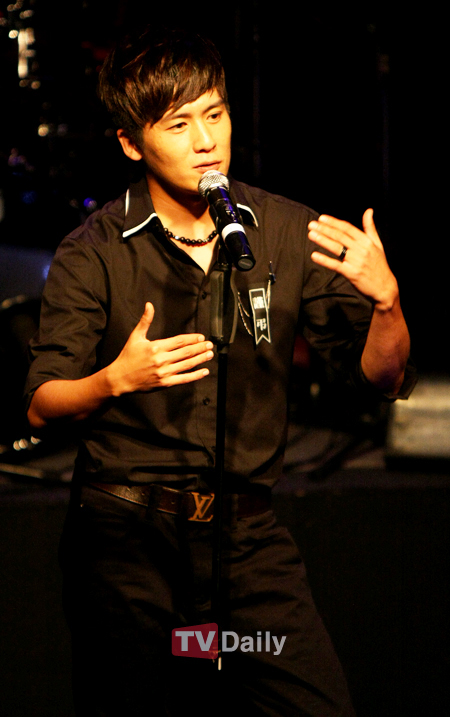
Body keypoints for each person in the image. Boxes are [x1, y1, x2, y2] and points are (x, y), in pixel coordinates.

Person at [25, 26, 414, 717]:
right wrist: (114, 379)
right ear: (131, 143)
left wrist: (387, 304)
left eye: (216, 114)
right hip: (129, 546)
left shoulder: (285, 230)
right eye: (179, 124)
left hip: (246, 545)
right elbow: (41, 404)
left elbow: (382, 378)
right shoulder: (94, 251)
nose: (206, 140)